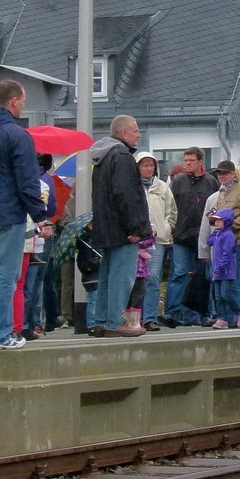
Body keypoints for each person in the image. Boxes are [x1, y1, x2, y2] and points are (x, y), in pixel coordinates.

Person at [0, 80, 51, 351]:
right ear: (14, 101)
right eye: (23, 101)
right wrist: (40, 216)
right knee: (5, 275)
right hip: (7, 212)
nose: (23, 106)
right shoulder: (17, 135)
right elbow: (27, 181)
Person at [90, 115, 153, 337]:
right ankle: (115, 320)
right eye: (135, 131)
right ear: (123, 134)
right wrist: (135, 228)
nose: (139, 135)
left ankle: (101, 319)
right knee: (122, 275)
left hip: (106, 226)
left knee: (107, 275)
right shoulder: (123, 157)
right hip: (122, 229)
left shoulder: (103, 157)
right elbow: (126, 196)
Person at [164, 147, 217, 327]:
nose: (187, 164)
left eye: (191, 161)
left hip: (202, 237)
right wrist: (171, 228)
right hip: (181, 235)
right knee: (179, 274)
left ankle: (201, 314)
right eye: (185, 160)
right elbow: (170, 206)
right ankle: (173, 312)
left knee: (203, 277)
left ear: (201, 162)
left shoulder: (211, 182)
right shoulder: (179, 182)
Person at [207, 160, 240, 328]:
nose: (222, 176)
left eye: (225, 173)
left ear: (233, 174)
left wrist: (228, 227)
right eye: (219, 174)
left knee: (234, 280)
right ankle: (230, 317)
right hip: (227, 240)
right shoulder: (222, 192)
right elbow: (221, 214)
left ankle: (233, 317)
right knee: (232, 279)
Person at [133, 152, 176, 330]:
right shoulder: (131, 186)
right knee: (134, 279)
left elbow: (172, 212)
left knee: (153, 277)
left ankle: (150, 317)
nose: (149, 169)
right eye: (145, 165)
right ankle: (133, 316)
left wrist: (165, 228)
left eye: (151, 165)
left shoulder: (163, 187)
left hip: (157, 240)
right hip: (135, 239)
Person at [22, 154, 58, 340]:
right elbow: (51, 210)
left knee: (19, 284)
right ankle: (32, 324)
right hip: (38, 236)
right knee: (35, 284)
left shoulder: (15, 178)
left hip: (19, 235)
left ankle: (21, 324)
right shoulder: (46, 182)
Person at [206, 208, 238, 328]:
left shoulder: (228, 235)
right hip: (218, 270)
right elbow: (209, 241)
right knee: (218, 296)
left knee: (225, 294)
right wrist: (214, 231)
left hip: (225, 270)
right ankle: (221, 318)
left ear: (227, 221)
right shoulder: (218, 234)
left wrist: (218, 269)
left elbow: (227, 254)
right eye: (215, 221)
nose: (216, 223)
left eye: (219, 221)